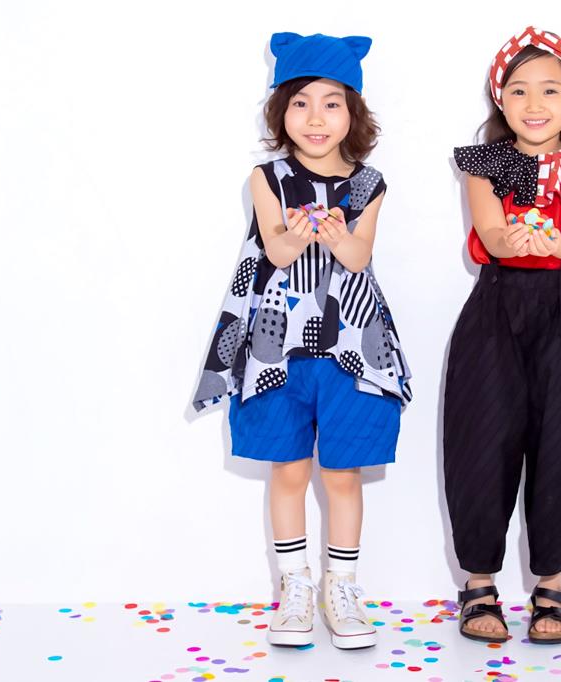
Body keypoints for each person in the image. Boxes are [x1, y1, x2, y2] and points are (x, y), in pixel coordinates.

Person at [193, 31, 411, 650]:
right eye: (300, 103)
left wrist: (337, 234)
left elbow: (359, 256)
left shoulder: (369, 184)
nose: (316, 118)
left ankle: (342, 588)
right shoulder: (268, 178)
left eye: (332, 103)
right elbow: (276, 250)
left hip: (352, 346)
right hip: (278, 349)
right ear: (280, 111)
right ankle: (295, 587)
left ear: (353, 113)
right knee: (288, 469)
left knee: (343, 475)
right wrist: (298, 233)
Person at [443, 26, 561, 645]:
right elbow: (492, 235)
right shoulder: (486, 163)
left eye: (550, 89)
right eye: (518, 90)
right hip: (494, 313)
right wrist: (513, 239)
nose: (534, 103)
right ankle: (478, 584)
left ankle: (552, 586)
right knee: (480, 442)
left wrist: (545, 239)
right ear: (501, 99)